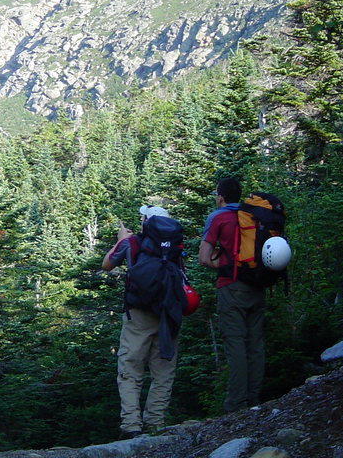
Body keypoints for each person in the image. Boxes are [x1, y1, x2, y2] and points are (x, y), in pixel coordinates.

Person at [101, 205, 181, 438]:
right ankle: (155, 423)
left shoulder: (133, 242)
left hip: (138, 314)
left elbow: (107, 264)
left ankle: (131, 425)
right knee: (163, 370)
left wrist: (120, 240)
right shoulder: (175, 245)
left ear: (146, 221)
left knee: (130, 367)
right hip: (169, 313)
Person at [198, 177, 265, 413]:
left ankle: (236, 404)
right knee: (255, 343)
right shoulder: (255, 215)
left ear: (220, 196)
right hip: (258, 283)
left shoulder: (219, 216)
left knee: (235, 342)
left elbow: (203, 258)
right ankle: (255, 399)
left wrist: (224, 263)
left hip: (231, 286)